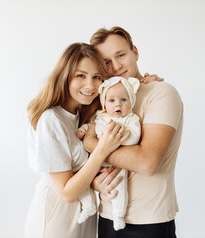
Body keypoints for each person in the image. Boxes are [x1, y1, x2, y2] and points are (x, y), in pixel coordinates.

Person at [83, 26, 184, 238]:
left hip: (149, 224)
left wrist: (93, 144)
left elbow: (147, 163)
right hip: (107, 218)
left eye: (121, 55)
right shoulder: (101, 100)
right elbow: (80, 160)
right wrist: (93, 181)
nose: (116, 66)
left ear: (134, 52)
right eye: (106, 62)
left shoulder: (161, 93)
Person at [24, 42, 130, 238]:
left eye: (97, 77)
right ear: (65, 76)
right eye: (81, 76)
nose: (90, 85)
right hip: (56, 218)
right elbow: (67, 191)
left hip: (83, 218)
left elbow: (124, 98)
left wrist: (147, 82)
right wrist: (101, 150)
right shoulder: (51, 119)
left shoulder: (85, 115)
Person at [76, 76, 141, 230]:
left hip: (116, 163)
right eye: (111, 100)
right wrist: (82, 130)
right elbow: (90, 125)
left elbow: (134, 137)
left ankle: (119, 215)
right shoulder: (101, 116)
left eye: (124, 100)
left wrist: (116, 137)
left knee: (119, 185)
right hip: (95, 161)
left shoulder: (131, 119)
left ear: (131, 102)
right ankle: (88, 205)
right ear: (104, 103)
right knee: (80, 177)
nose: (118, 104)